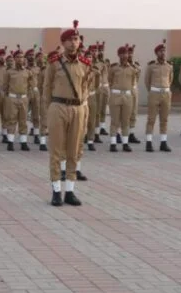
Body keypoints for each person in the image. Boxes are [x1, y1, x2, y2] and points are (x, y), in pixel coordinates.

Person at [43, 20, 96, 206]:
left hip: (78, 109)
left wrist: (84, 110)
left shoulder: (86, 65)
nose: (74, 43)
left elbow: (86, 88)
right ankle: (56, 190)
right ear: (63, 43)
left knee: (74, 151)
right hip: (58, 107)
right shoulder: (54, 64)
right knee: (57, 151)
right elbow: (47, 89)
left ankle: (70, 191)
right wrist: (48, 112)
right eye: (70, 40)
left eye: (76, 39)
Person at [144, 40, 173, 152]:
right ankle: (149, 142)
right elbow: (147, 81)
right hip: (154, 93)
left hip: (165, 93)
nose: (163, 53)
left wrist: (165, 89)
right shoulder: (151, 66)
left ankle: (163, 142)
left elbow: (170, 79)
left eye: (164, 51)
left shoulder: (169, 66)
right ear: (156, 53)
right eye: (161, 51)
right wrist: (152, 91)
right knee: (151, 119)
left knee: (164, 119)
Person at [108, 45, 137, 152]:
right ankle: (113, 143)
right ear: (119, 55)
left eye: (126, 54)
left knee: (126, 121)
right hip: (116, 95)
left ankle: (125, 143)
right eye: (123, 54)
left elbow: (133, 81)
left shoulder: (132, 69)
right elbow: (109, 80)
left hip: (127, 96)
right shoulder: (114, 68)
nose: (125, 56)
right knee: (115, 120)